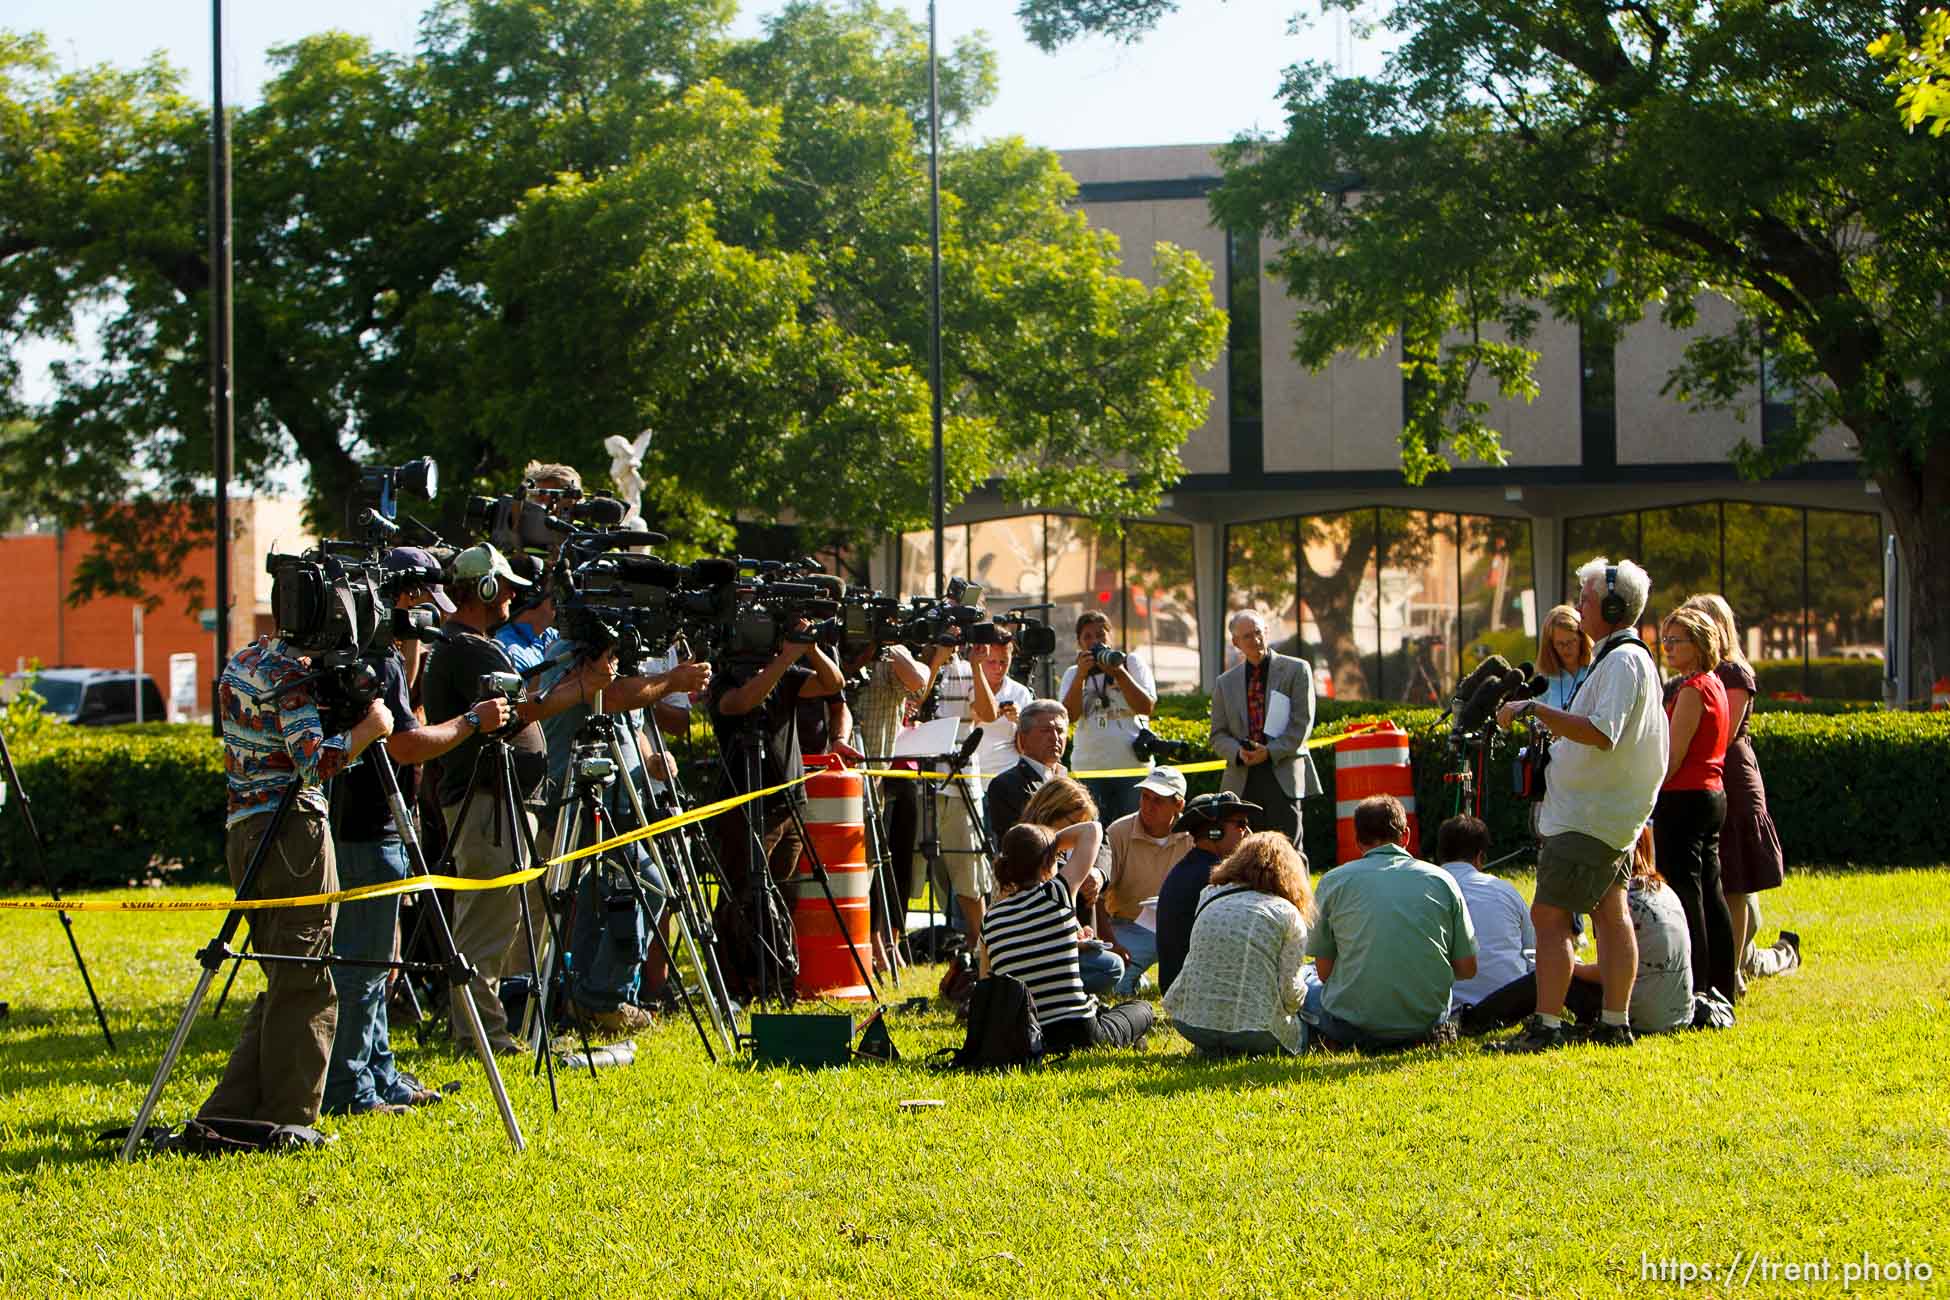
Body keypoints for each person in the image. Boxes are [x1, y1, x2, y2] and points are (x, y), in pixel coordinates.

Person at [322, 553, 495, 1117]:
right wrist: (472, 721)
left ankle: (379, 1069)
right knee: (365, 962)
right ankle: (351, 1086)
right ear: (406, 596)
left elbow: (403, 707)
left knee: (381, 957)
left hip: (359, 824)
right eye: (423, 605)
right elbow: (404, 742)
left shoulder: (366, 658)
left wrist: (410, 647)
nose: (431, 618)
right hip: (373, 827)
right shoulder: (381, 663)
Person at [420, 543, 604, 1056]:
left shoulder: (463, 644)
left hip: (494, 804)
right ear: (484, 588)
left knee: (492, 922)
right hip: (488, 806)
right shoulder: (468, 647)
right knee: (486, 926)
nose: (511, 599)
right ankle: (482, 1038)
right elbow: (523, 709)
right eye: (504, 588)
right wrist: (580, 686)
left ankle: (484, 1030)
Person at [202, 632, 393, 1127]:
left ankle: (234, 1109)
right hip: (291, 833)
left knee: (283, 973)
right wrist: (370, 728)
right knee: (307, 976)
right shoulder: (290, 677)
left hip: (243, 830)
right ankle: (289, 1118)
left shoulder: (243, 661)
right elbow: (312, 762)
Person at [1490, 557, 1667, 1052]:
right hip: (1602, 815)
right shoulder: (1622, 658)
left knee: (1549, 918)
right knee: (1610, 913)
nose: (1580, 605)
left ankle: (1546, 1025)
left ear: (1612, 606)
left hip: (1588, 818)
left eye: (1586, 597)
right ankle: (1614, 1022)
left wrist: (1532, 709)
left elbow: (1600, 733)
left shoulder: (1623, 661)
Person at [535, 636, 709, 1035]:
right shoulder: (577, 652)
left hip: (623, 801)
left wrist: (651, 758)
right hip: (579, 796)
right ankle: (601, 998)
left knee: (600, 898)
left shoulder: (616, 656)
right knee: (646, 885)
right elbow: (609, 698)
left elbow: (632, 722)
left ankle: (588, 999)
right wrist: (674, 680)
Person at [709, 622, 846, 994]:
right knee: (744, 895)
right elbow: (742, 702)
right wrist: (785, 659)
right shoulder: (725, 679)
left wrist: (810, 648)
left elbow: (833, 684)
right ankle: (736, 981)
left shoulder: (787, 674)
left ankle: (775, 973)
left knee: (781, 893)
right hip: (746, 801)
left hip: (789, 803)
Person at [1460, 825, 1694, 1037]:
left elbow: (1609, 973)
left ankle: (1473, 1021)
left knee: (1547, 974)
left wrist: (1573, 967)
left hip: (1640, 1014)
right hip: (1677, 1014)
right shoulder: (1666, 892)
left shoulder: (1619, 900)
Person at [1302, 795, 1477, 1051]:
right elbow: (1467, 968)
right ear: (1405, 835)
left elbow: (1325, 973)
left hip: (1350, 1025)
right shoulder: (1443, 880)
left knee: (1305, 983)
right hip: (1426, 1022)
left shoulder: (1333, 882)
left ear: (1357, 840)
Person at [1681, 592, 1787, 995]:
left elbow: (1720, 738)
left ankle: (1737, 967)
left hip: (1733, 781)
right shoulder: (1691, 676)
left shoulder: (1734, 674)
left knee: (1735, 881)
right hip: (1703, 779)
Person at [982, 821, 1154, 1053]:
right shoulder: (1056, 893)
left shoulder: (990, 918)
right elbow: (1092, 829)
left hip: (1023, 1035)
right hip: (1077, 1031)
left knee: (1108, 1012)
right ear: (1047, 862)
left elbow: (987, 985)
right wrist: (1049, 844)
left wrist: (1033, 851)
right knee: (1142, 1009)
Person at [1164, 832, 1315, 1057]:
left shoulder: (1208, 896)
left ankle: (1216, 1045)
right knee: (1311, 1003)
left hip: (1190, 1023)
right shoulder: (1287, 913)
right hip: (1257, 1031)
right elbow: (1291, 996)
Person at [1655, 603, 1736, 1003]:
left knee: (1688, 893)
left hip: (1686, 796)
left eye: (1676, 641)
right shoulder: (1714, 683)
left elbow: (1673, 756)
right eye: (1665, 640)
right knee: (1710, 888)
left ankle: (1699, 987)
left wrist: (1648, 792)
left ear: (1699, 643)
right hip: (1710, 794)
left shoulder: (1693, 689)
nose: (1667, 647)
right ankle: (1721, 983)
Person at [845, 636, 929, 971]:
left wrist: (887, 647)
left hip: (874, 781)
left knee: (867, 868)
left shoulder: (892, 657)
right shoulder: (829, 644)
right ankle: (861, 945)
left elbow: (919, 682)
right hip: (828, 775)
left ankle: (873, 946)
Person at [1210, 608, 1321, 845]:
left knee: (1290, 850)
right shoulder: (1224, 683)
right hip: (1243, 777)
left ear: (1267, 632)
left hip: (1282, 771)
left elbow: (1302, 724)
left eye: (1258, 632)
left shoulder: (1297, 670)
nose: (1256, 640)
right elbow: (1218, 734)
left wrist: (1269, 752)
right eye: (1247, 636)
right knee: (1246, 854)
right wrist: (1238, 752)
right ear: (1236, 642)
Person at [919, 623, 1000, 939]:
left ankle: (978, 941)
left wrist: (978, 667)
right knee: (914, 866)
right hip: (919, 777)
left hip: (962, 780)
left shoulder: (967, 669)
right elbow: (914, 700)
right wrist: (936, 660)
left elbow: (988, 713)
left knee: (969, 867)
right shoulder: (917, 664)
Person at [1154, 791, 1262, 995]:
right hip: (1199, 993)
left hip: (1179, 990)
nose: (1247, 832)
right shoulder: (1219, 879)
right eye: (1240, 824)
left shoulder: (1187, 868)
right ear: (1215, 832)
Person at [1016, 778, 1116, 995]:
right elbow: (1093, 830)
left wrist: (1078, 935)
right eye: (1074, 825)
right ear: (1049, 814)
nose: (1078, 834)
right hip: (1034, 961)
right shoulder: (1034, 862)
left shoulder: (1025, 850)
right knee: (1110, 967)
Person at [1058, 610, 1159, 823]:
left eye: (1100, 635)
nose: (1095, 641)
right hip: (1090, 770)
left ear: (1110, 637)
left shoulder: (1131, 664)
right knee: (1093, 833)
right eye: (1087, 637)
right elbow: (1069, 716)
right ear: (1079, 643)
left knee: (1133, 833)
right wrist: (1080, 677)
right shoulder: (1072, 674)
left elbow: (1146, 706)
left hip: (1132, 768)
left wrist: (1119, 672)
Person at [1100, 767, 1191, 995]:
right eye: (1145, 797)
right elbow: (1097, 898)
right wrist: (1113, 944)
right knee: (1113, 985)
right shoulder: (1118, 832)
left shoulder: (1193, 836)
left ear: (1179, 805)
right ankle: (1137, 978)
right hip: (1128, 924)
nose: (1147, 806)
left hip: (1183, 926)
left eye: (1158, 800)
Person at [1436, 815, 1535, 1009]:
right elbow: (1533, 951)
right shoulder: (1506, 891)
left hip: (1446, 1004)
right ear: (1480, 856)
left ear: (1440, 853)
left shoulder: (1425, 893)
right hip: (1511, 1002)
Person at [985, 698, 1069, 838]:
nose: (1055, 738)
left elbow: (1098, 839)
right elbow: (1021, 844)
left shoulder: (1073, 783)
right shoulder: (1006, 785)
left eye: (1060, 731)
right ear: (1023, 739)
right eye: (1046, 730)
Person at [1536, 603, 1593, 709]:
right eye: (1560, 644)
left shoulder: (1595, 671)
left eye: (1571, 641)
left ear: (1582, 639)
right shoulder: (1544, 682)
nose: (1566, 649)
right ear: (1550, 646)